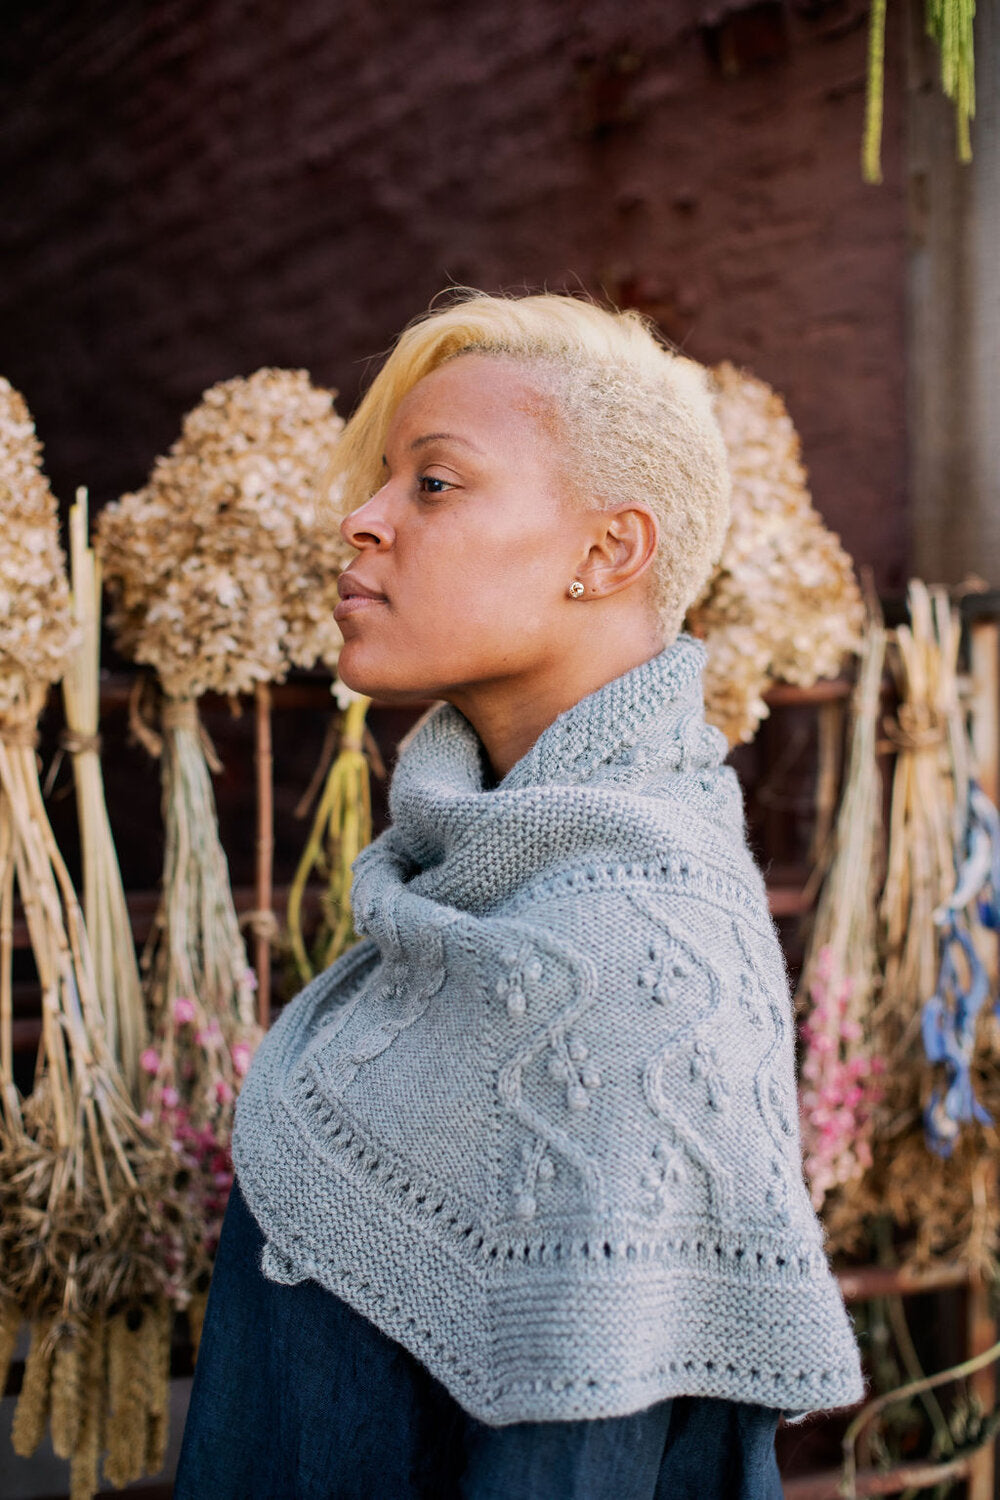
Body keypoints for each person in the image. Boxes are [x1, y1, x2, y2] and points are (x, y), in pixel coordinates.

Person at [175, 291, 864, 1499]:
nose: (362, 520)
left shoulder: (632, 968)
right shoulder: (473, 888)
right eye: (382, 481)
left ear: (607, 552)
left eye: (431, 484)